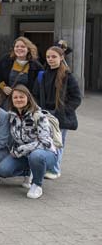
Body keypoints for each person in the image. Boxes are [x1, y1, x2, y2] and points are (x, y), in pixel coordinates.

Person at [0, 85, 58, 199]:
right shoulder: (11, 116)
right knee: (3, 170)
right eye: (15, 97)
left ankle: (37, 184)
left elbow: (45, 142)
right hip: (23, 154)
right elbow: (12, 139)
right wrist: (14, 150)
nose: (18, 100)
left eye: (21, 97)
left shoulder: (38, 115)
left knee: (36, 156)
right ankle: (29, 171)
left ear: (28, 98)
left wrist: (23, 149)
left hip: (45, 153)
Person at [33, 46, 81, 179]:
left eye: (54, 57)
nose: (50, 59)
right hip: (44, 114)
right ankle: (46, 167)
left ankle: (54, 169)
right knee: (44, 141)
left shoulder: (68, 76)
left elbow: (76, 97)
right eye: (48, 57)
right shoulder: (42, 75)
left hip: (60, 115)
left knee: (58, 142)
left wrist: (64, 111)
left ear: (61, 58)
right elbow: (35, 94)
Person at [0, 36, 43, 106]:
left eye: (23, 47)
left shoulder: (36, 66)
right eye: (17, 46)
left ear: (28, 49)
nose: (19, 49)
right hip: (8, 100)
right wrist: (3, 87)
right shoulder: (5, 60)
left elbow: (38, 86)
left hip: (27, 101)